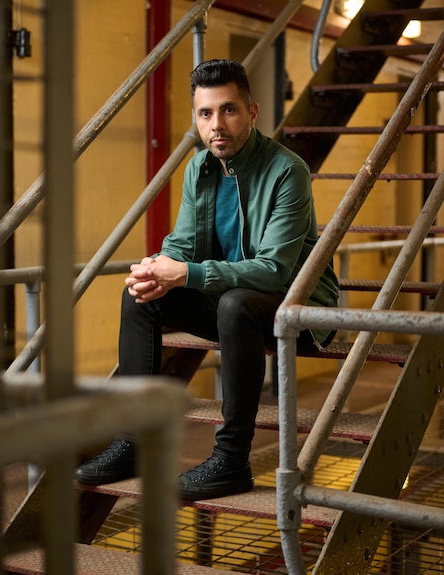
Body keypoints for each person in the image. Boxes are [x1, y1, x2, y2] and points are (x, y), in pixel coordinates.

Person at [75, 59, 339, 500]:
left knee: (236, 302)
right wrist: (157, 269)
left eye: (229, 110)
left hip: (295, 308)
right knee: (141, 298)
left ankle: (232, 461)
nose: (217, 125)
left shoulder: (286, 170)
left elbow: (274, 271)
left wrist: (189, 273)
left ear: (252, 113)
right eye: (205, 113)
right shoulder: (200, 169)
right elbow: (184, 244)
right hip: (232, 303)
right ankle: (132, 441)